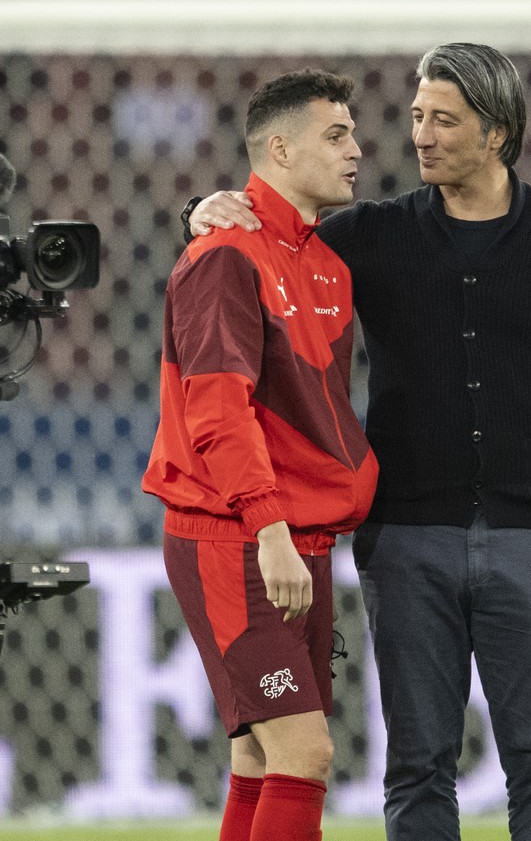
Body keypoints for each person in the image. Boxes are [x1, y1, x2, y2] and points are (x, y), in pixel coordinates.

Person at [188, 44, 531, 841]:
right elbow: (265, 248)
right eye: (416, 117)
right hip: (406, 536)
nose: (421, 136)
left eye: (444, 120)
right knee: (416, 766)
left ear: (497, 134)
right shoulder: (370, 236)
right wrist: (203, 208)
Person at [144, 70, 379, 841]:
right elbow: (217, 409)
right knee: (304, 753)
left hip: (294, 538)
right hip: (240, 536)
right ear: (279, 148)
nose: (356, 151)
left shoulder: (327, 266)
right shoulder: (225, 256)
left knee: (257, 755)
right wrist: (269, 526)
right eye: (336, 135)